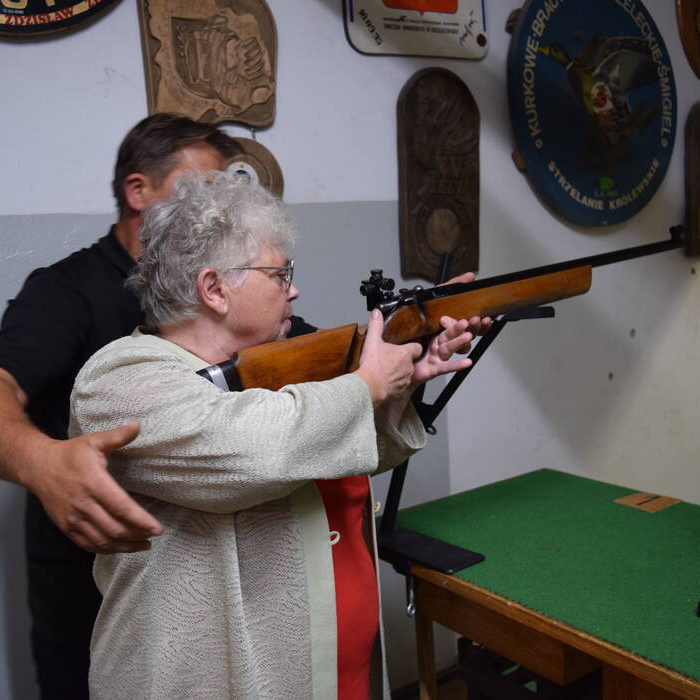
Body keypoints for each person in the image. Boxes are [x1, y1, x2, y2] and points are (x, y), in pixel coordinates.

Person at [71, 171, 476, 699]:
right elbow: (258, 453)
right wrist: (368, 385)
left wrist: (399, 388)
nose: (294, 289)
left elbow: (340, 451)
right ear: (214, 289)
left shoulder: (274, 367)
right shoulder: (118, 381)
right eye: (280, 274)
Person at [0, 115, 292, 699]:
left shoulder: (232, 287)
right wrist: (42, 461)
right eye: (199, 187)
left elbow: (315, 351)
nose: (217, 205)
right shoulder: (66, 290)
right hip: (90, 587)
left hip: (199, 592)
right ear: (138, 192)